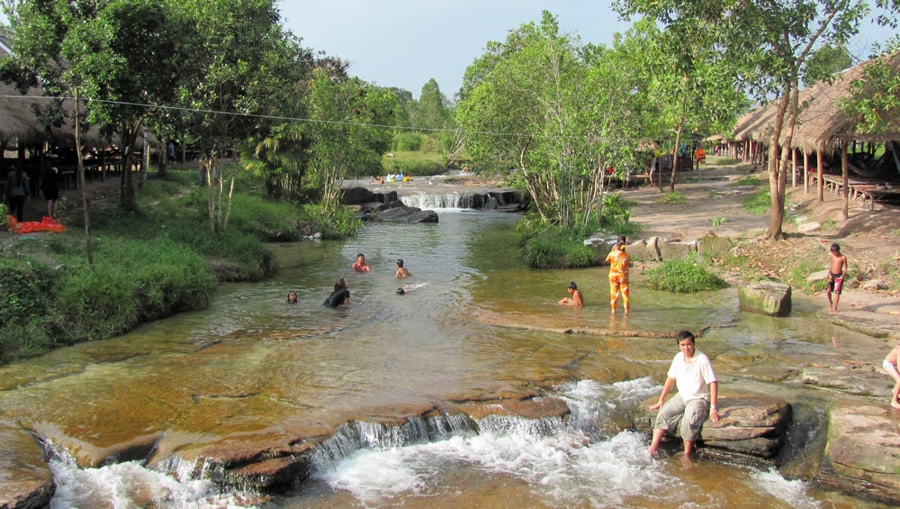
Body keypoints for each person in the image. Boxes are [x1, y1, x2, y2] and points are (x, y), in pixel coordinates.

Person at [648, 330, 719, 458]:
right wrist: (661, 399)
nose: (686, 348)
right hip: (683, 395)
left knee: (689, 420)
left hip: (699, 398)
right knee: (663, 413)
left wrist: (713, 407)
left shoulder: (702, 359)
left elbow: (713, 382)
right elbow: (670, 379)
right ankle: (653, 448)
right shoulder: (678, 358)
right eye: (683, 345)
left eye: (688, 344)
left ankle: (686, 454)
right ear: (679, 346)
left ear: (693, 344)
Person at [605, 236, 630, 314]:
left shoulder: (611, 254)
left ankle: (613, 311)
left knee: (613, 293)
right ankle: (626, 311)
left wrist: (612, 250)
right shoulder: (626, 256)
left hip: (613, 276)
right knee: (625, 294)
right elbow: (627, 264)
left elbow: (607, 260)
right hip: (623, 276)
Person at [826, 243, 848, 313]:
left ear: (837, 251)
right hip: (832, 275)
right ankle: (830, 303)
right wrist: (828, 273)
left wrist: (842, 276)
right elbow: (832, 264)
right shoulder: (832, 256)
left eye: (834, 252)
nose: (833, 253)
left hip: (838, 276)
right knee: (828, 291)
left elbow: (845, 268)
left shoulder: (843, 257)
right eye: (832, 252)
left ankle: (835, 308)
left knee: (837, 292)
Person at [883, 345, 900, 409]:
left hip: (895, 366)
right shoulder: (899, 350)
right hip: (889, 365)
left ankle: (896, 390)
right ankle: (894, 401)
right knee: (899, 380)